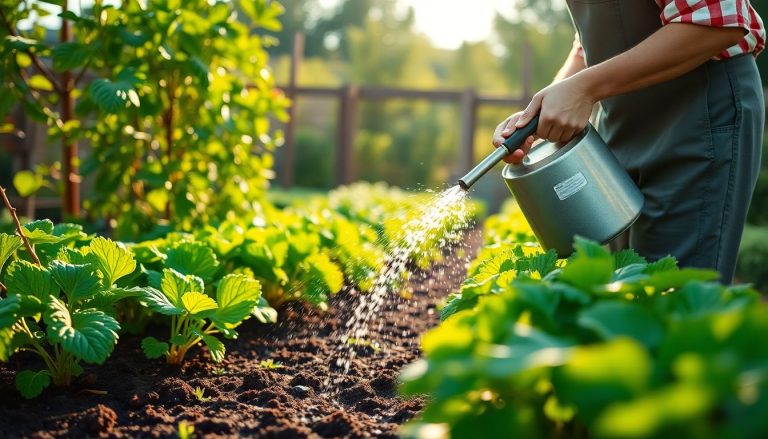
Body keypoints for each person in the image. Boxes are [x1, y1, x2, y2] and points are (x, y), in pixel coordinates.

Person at [494, 0, 766, 284]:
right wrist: (543, 110)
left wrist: (584, 89)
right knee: (624, 284)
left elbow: (716, 24)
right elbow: (594, 39)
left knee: (668, 294)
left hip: (697, 114)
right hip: (618, 119)